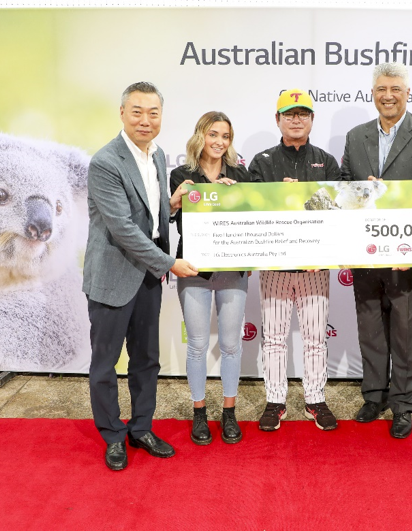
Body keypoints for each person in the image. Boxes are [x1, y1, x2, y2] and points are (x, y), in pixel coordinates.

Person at [84, 81, 199, 471]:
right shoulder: (105, 162)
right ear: (122, 114)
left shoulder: (159, 154)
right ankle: (113, 435)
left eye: (153, 113)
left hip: (148, 277)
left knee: (146, 359)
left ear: (161, 117)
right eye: (137, 112)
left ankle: (141, 427)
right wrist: (169, 262)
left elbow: (148, 218)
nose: (145, 121)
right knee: (105, 363)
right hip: (113, 277)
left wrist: (172, 205)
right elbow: (123, 229)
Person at [341, 62, 412, 439]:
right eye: (381, 89)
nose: (388, 95)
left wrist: (392, 199)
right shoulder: (356, 137)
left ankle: (404, 404)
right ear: (373, 93)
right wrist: (363, 192)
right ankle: (374, 394)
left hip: (407, 254)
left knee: (406, 332)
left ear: (407, 93)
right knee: (370, 326)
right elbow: (342, 187)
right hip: (365, 252)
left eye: (395, 89)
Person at [247, 89, 342, 431]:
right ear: (278, 120)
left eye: (303, 113)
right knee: (273, 337)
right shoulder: (263, 161)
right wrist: (281, 197)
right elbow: (251, 210)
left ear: (312, 119)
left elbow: (338, 211)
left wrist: (304, 196)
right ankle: (275, 400)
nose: (297, 119)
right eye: (289, 114)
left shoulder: (327, 162)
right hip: (275, 265)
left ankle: (315, 399)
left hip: (314, 266)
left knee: (316, 337)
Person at [170, 112, 251, 445]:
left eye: (226, 136)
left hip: (232, 271)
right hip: (194, 270)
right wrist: (176, 200)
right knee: (198, 347)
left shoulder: (240, 175)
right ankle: (200, 411)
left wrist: (234, 198)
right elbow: (167, 216)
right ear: (200, 135)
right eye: (213, 134)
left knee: (231, 346)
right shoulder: (182, 174)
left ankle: (229, 412)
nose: (219, 142)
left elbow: (255, 218)